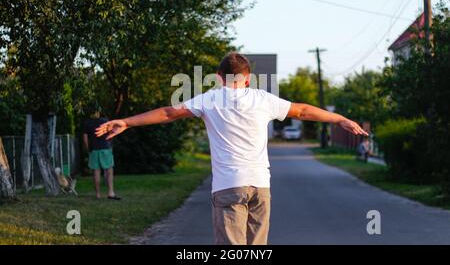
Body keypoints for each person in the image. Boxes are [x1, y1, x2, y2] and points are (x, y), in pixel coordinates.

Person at [95, 52, 367, 244]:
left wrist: (127, 122)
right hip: (260, 186)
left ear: (219, 77)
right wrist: (340, 119)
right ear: (247, 79)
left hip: (228, 186)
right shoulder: (263, 99)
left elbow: (168, 113)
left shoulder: (210, 99)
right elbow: (304, 110)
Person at [83, 111, 120, 200]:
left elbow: (85, 139)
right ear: (98, 112)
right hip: (105, 148)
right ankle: (110, 192)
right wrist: (110, 144)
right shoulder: (105, 121)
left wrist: (88, 149)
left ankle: (98, 194)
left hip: (93, 149)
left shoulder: (87, 122)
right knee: (109, 170)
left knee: (96, 171)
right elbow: (112, 133)